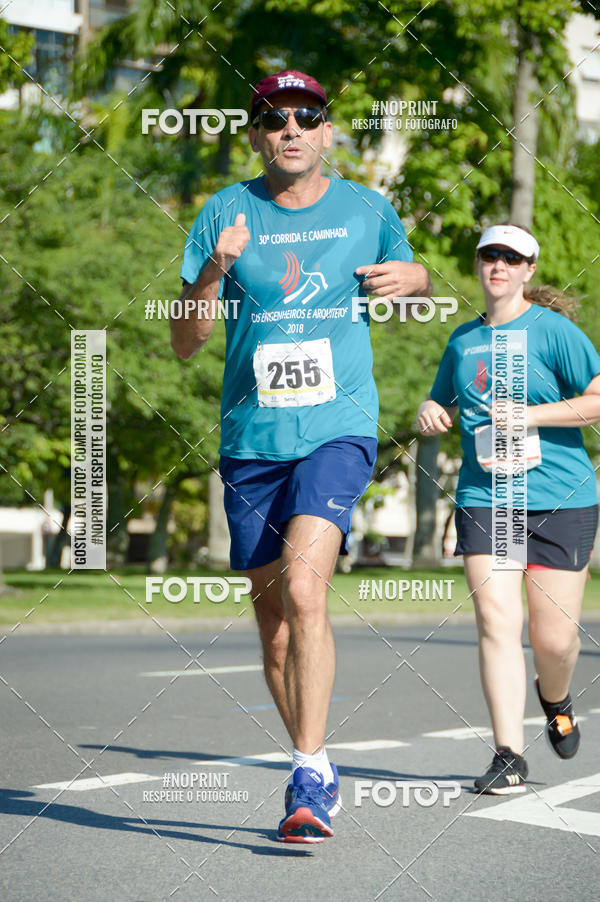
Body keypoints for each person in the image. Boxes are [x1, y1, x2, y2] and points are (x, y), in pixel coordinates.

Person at [171, 70, 431, 840]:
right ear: (256, 135)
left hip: (338, 428)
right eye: (274, 117)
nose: (291, 128)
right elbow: (184, 342)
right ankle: (311, 757)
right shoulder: (223, 213)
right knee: (275, 621)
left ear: (326, 132)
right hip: (252, 440)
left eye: (306, 116)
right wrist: (213, 271)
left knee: (307, 588)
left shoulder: (368, 208)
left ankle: (309, 772)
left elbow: (415, 282)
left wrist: (417, 277)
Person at [417, 223, 600, 794]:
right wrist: (430, 410)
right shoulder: (462, 341)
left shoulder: (554, 332)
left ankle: (556, 697)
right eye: (490, 255)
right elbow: (442, 400)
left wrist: (529, 415)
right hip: (488, 499)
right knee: (497, 622)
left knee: (554, 641)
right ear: (479, 265)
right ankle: (507, 754)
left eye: (511, 258)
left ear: (528, 270)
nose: (498, 265)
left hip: (560, 500)